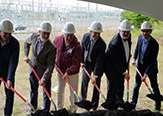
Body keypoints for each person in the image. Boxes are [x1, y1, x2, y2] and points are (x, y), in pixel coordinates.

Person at [24, 21, 56, 115]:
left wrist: (43, 78)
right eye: (44, 33)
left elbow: (50, 65)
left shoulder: (51, 47)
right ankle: (33, 108)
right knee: (33, 90)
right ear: (39, 31)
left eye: (48, 33)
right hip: (33, 69)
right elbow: (26, 43)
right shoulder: (34, 37)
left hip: (44, 72)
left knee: (46, 93)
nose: (46, 35)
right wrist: (26, 55)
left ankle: (46, 111)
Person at [101, 20, 132, 110]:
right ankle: (110, 106)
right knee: (113, 87)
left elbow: (126, 47)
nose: (126, 33)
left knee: (120, 85)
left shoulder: (128, 36)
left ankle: (120, 104)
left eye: (127, 31)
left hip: (120, 65)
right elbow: (115, 61)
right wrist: (124, 72)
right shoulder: (115, 43)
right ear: (119, 31)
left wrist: (128, 54)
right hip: (111, 68)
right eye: (124, 31)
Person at [131, 21, 161, 112]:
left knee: (154, 86)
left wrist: (146, 74)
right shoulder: (140, 38)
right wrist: (134, 58)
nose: (144, 33)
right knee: (136, 86)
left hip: (151, 68)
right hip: (140, 66)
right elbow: (137, 48)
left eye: (147, 31)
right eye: (143, 31)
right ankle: (133, 104)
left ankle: (158, 105)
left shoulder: (154, 44)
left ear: (150, 31)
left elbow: (152, 61)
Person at [53, 22, 82, 113]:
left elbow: (76, 63)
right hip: (60, 70)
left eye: (71, 35)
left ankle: (73, 110)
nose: (69, 38)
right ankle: (59, 109)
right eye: (67, 35)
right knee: (59, 90)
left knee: (73, 92)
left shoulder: (77, 46)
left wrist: (68, 72)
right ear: (63, 33)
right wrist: (54, 61)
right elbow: (53, 51)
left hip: (72, 73)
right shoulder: (57, 40)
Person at [80, 21, 106, 111]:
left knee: (96, 84)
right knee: (84, 81)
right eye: (94, 33)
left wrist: (95, 75)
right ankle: (82, 100)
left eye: (98, 33)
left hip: (96, 65)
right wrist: (81, 61)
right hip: (86, 62)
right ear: (90, 31)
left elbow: (100, 61)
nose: (96, 35)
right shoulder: (85, 36)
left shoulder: (102, 44)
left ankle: (94, 106)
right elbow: (82, 49)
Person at [0, 19, 20, 116]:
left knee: (10, 94)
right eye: (5, 34)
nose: (8, 36)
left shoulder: (15, 43)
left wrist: (9, 78)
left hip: (8, 70)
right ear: (0, 31)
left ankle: (7, 114)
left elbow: (13, 62)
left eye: (10, 33)